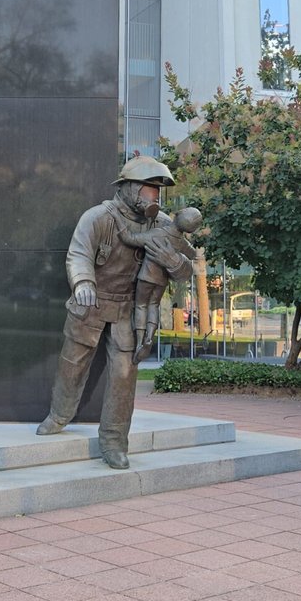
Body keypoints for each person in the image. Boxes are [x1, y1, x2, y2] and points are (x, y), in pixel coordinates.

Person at [36, 156, 194, 469]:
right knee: (72, 365)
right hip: (91, 304)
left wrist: (173, 261)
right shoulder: (98, 217)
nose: (154, 197)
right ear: (126, 187)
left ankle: (113, 442)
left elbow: (187, 269)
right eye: (147, 189)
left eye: (157, 192)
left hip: (130, 310)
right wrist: (83, 282)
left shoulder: (163, 225)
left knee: (124, 376)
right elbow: (78, 254)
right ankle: (59, 415)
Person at [119, 206, 202, 352]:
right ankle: (149, 337)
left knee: (141, 305)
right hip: (162, 280)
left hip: (146, 277)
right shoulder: (182, 242)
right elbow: (193, 254)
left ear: (177, 215)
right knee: (153, 306)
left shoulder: (156, 234)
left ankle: (139, 341)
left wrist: (117, 219)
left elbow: (129, 238)